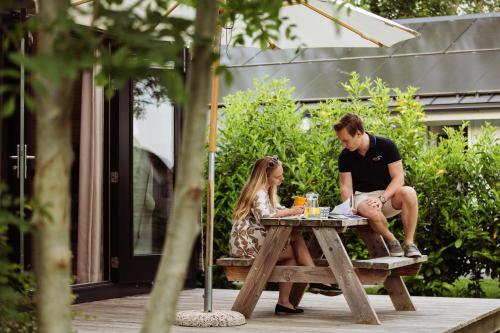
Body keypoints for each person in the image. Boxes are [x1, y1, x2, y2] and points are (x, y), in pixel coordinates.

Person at [229, 156, 341, 315]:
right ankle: (315, 279)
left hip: (253, 240)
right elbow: (266, 216)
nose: (281, 178)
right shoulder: (258, 192)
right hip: (246, 244)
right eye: (277, 176)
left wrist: (294, 210)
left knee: (291, 252)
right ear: (264, 176)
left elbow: (277, 209)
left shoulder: (266, 191)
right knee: (294, 239)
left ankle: (285, 302)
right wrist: (291, 211)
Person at [333, 113, 422, 258]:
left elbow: (399, 178)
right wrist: (348, 206)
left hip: (388, 196)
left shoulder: (386, 146)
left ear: (359, 133)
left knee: (409, 192)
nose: (344, 145)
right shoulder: (345, 156)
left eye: (346, 141)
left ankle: (409, 243)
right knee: (368, 206)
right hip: (362, 198)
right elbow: (346, 186)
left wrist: (382, 198)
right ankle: (392, 241)